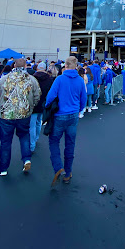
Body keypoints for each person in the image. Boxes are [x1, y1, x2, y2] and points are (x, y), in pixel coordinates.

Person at [0, 58, 41, 176]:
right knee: (24, 136)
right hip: (24, 113)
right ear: (26, 66)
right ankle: (26, 159)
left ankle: (3, 168)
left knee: (6, 141)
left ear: (14, 65)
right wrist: (30, 107)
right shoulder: (31, 79)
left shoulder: (4, 79)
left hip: (6, 114)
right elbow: (37, 95)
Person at [46, 56, 86, 186]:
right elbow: (83, 99)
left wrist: (48, 108)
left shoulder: (60, 79)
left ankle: (58, 167)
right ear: (76, 66)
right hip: (73, 114)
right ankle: (68, 173)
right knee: (70, 144)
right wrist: (78, 110)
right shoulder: (80, 80)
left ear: (66, 66)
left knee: (54, 141)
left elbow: (50, 97)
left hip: (59, 115)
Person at [31, 63, 54, 153]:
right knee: (38, 122)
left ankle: (32, 144)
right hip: (44, 103)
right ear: (45, 69)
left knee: (31, 125)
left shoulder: (32, 78)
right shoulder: (50, 79)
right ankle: (36, 138)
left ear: (37, 68)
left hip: (33, 104)